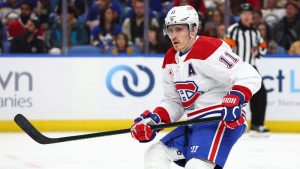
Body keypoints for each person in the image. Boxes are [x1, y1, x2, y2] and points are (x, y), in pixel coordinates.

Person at [130, 5, 261, 169]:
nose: (173, 35)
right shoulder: (170, 58)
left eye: (179, 29)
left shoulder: (208, 48)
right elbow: (174, 101)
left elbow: (249, 74)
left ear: (193, 28)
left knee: (197, 165)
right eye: (170, 30)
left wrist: (236, 97)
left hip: (220, 119)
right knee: (155, 154)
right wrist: (155, 121)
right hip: (194, 122)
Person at [225, 3, 269, 135]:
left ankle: (257, 125)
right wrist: (232, 48)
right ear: (240, 15)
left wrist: (258, 50)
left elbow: (264, 48)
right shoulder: (233, 29)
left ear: (252, 16)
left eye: (249, 14)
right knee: (235, 96)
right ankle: (232, 124)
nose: (246, 16)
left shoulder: (255, 32)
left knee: (260, 95)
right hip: (236, 69)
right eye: (244, 14)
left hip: (251, 68)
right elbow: (226, 48)